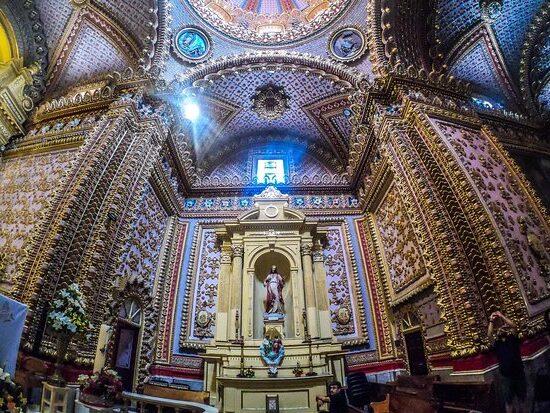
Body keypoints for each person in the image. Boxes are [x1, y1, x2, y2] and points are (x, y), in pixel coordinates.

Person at [487, 310, 527, 413]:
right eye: (499, 329)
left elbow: (514, 326)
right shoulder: (497, 344)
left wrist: (502, 316)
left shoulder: (512, 338)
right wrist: (491, 320)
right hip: (506, 376)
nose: (501, 330)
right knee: (508, 400)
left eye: (503, 328)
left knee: (521, 398)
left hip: (519, 373)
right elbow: (489, 335)